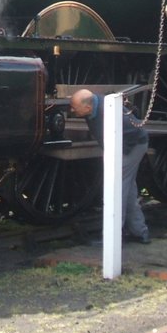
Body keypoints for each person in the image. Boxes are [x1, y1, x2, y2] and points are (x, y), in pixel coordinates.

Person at [69, 88, 150, 244]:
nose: (72, 110)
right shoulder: (92, 109)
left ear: (87, 107)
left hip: (131, 147)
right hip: (123, 146)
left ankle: (112, 239)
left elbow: (135, 132)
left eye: (74, 107)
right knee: (128, 191)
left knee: (116, 190)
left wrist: (119, 154)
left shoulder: (111, 113)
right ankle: (139, 232)